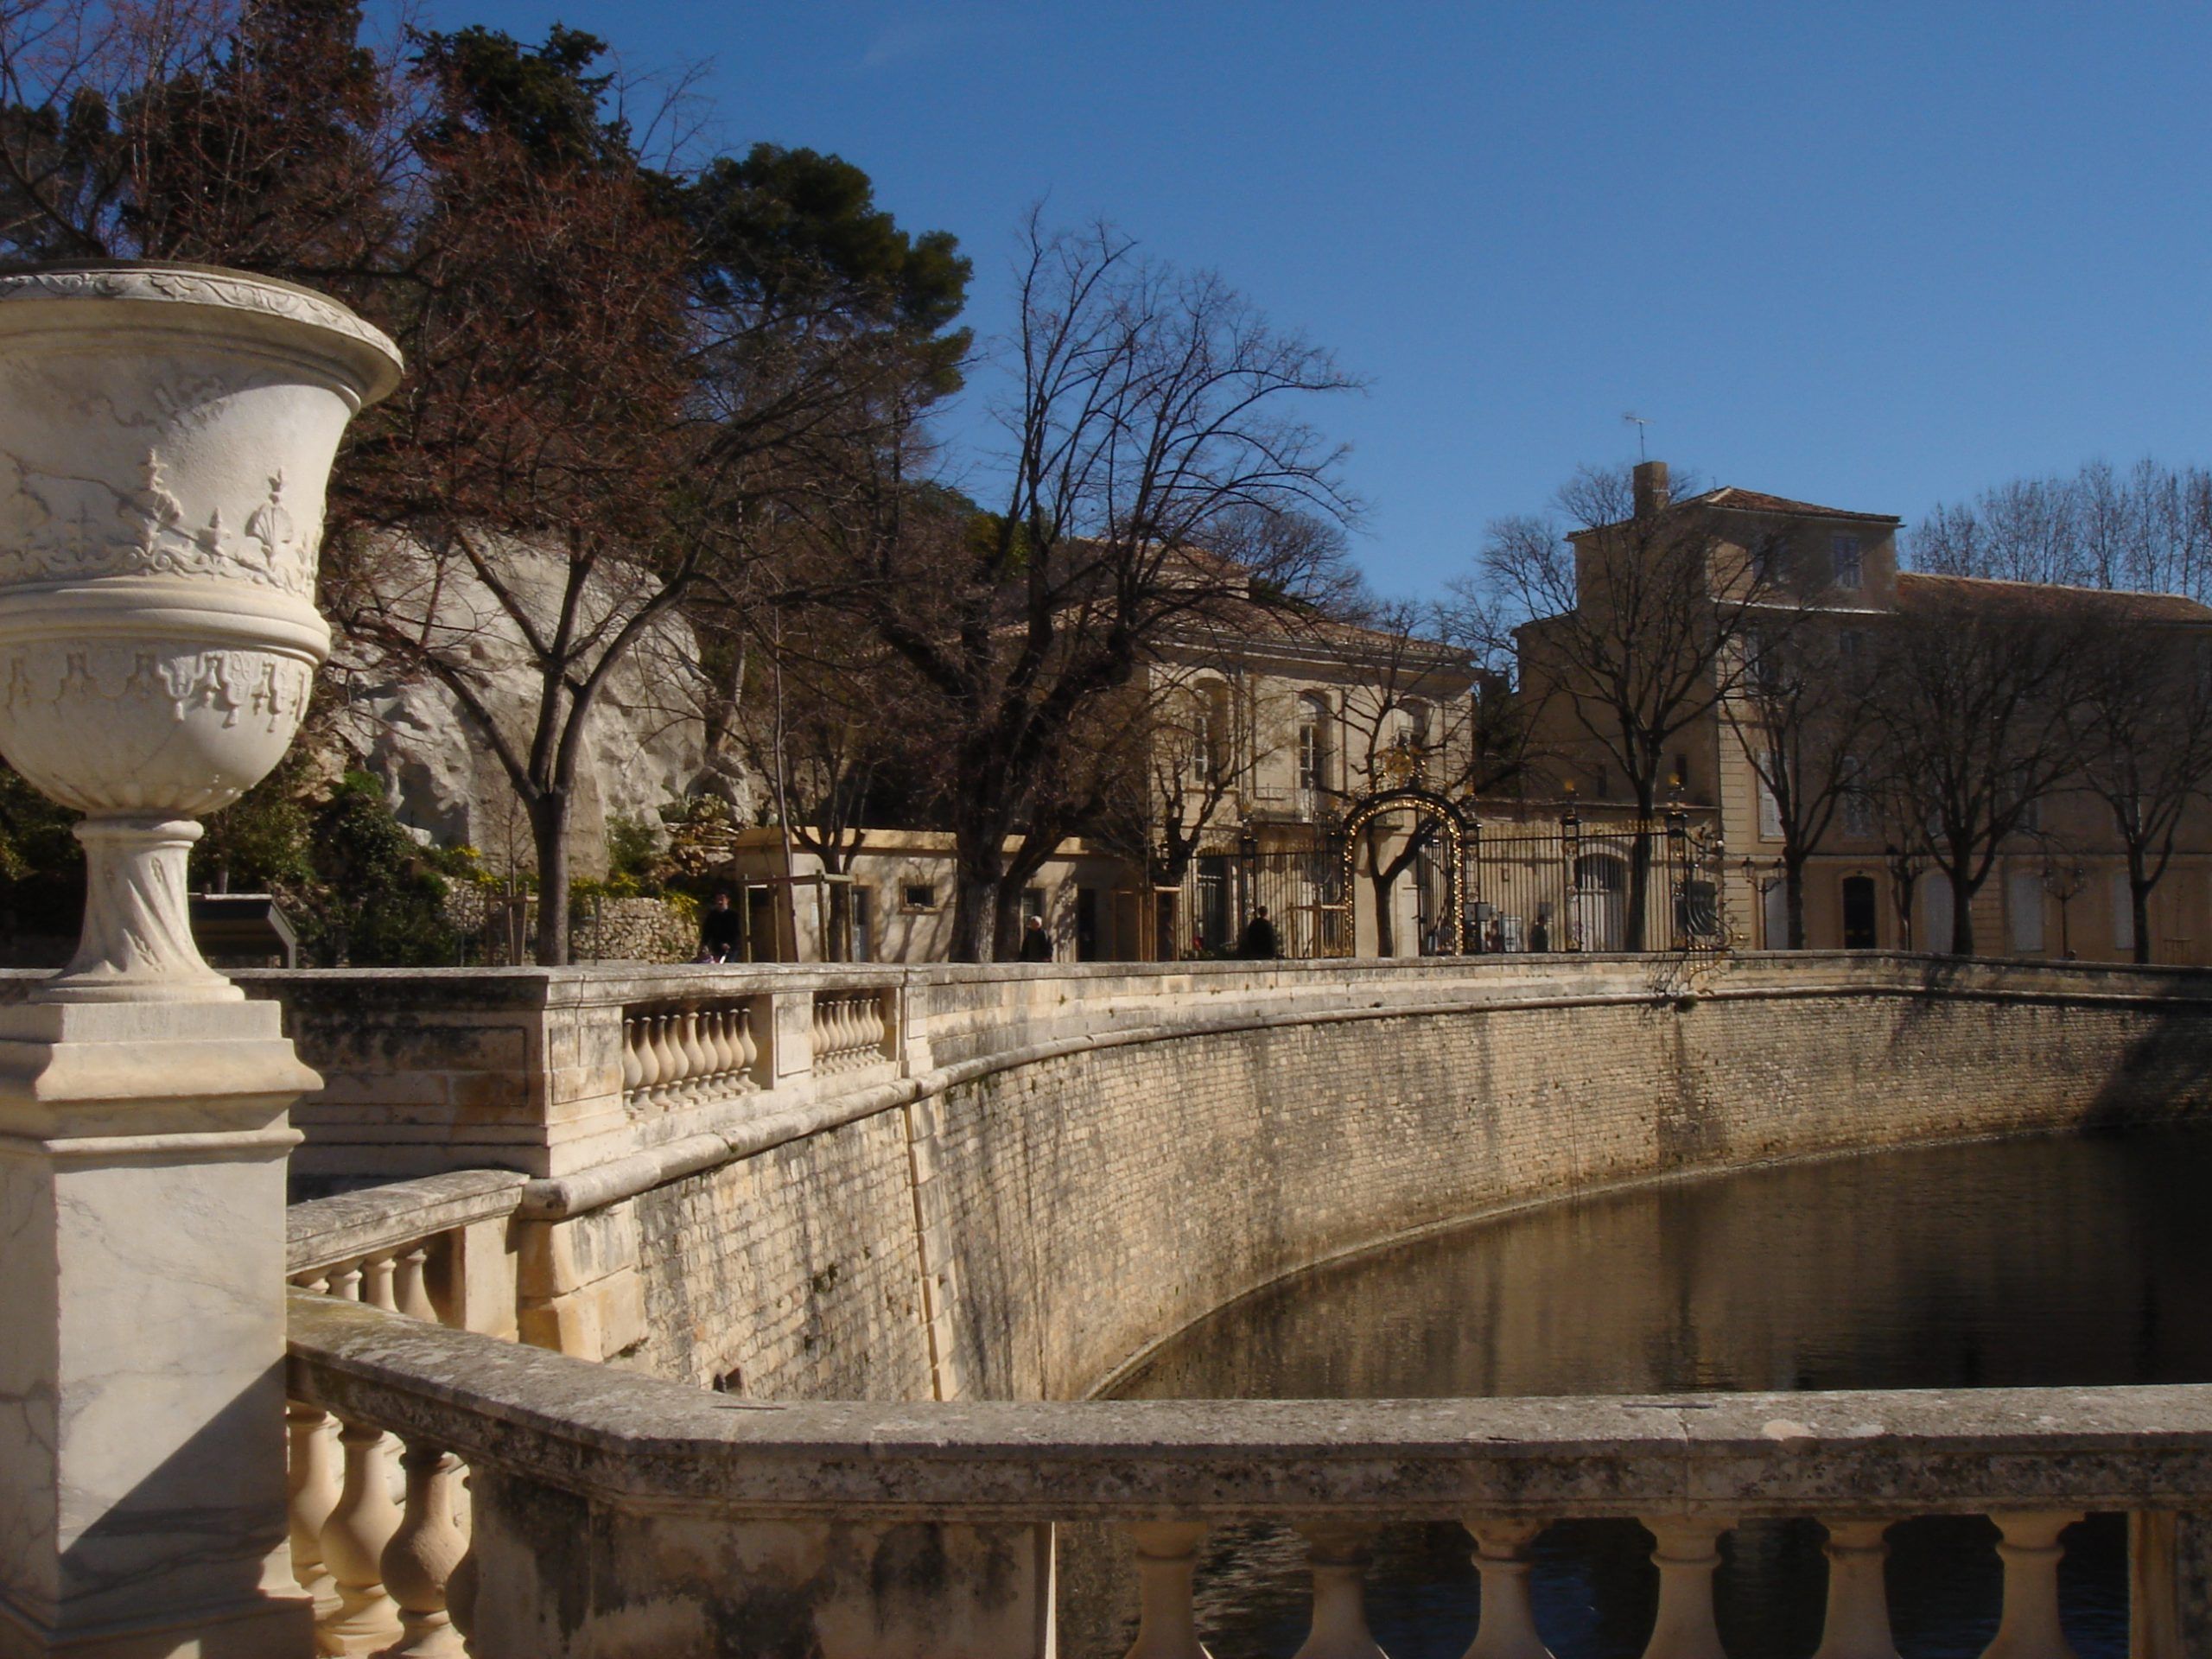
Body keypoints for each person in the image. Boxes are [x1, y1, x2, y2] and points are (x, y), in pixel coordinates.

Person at [700, 891, 742, 963]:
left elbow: (737, 933)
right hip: (717, 947)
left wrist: (729, 944)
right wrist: (704, 944)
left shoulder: (733, 915)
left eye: (722, 899)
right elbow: (707, 931)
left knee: (729, 964)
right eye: (718, 899)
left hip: (731, 948)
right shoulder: (712, 915)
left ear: (727, 900)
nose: (720, 902)